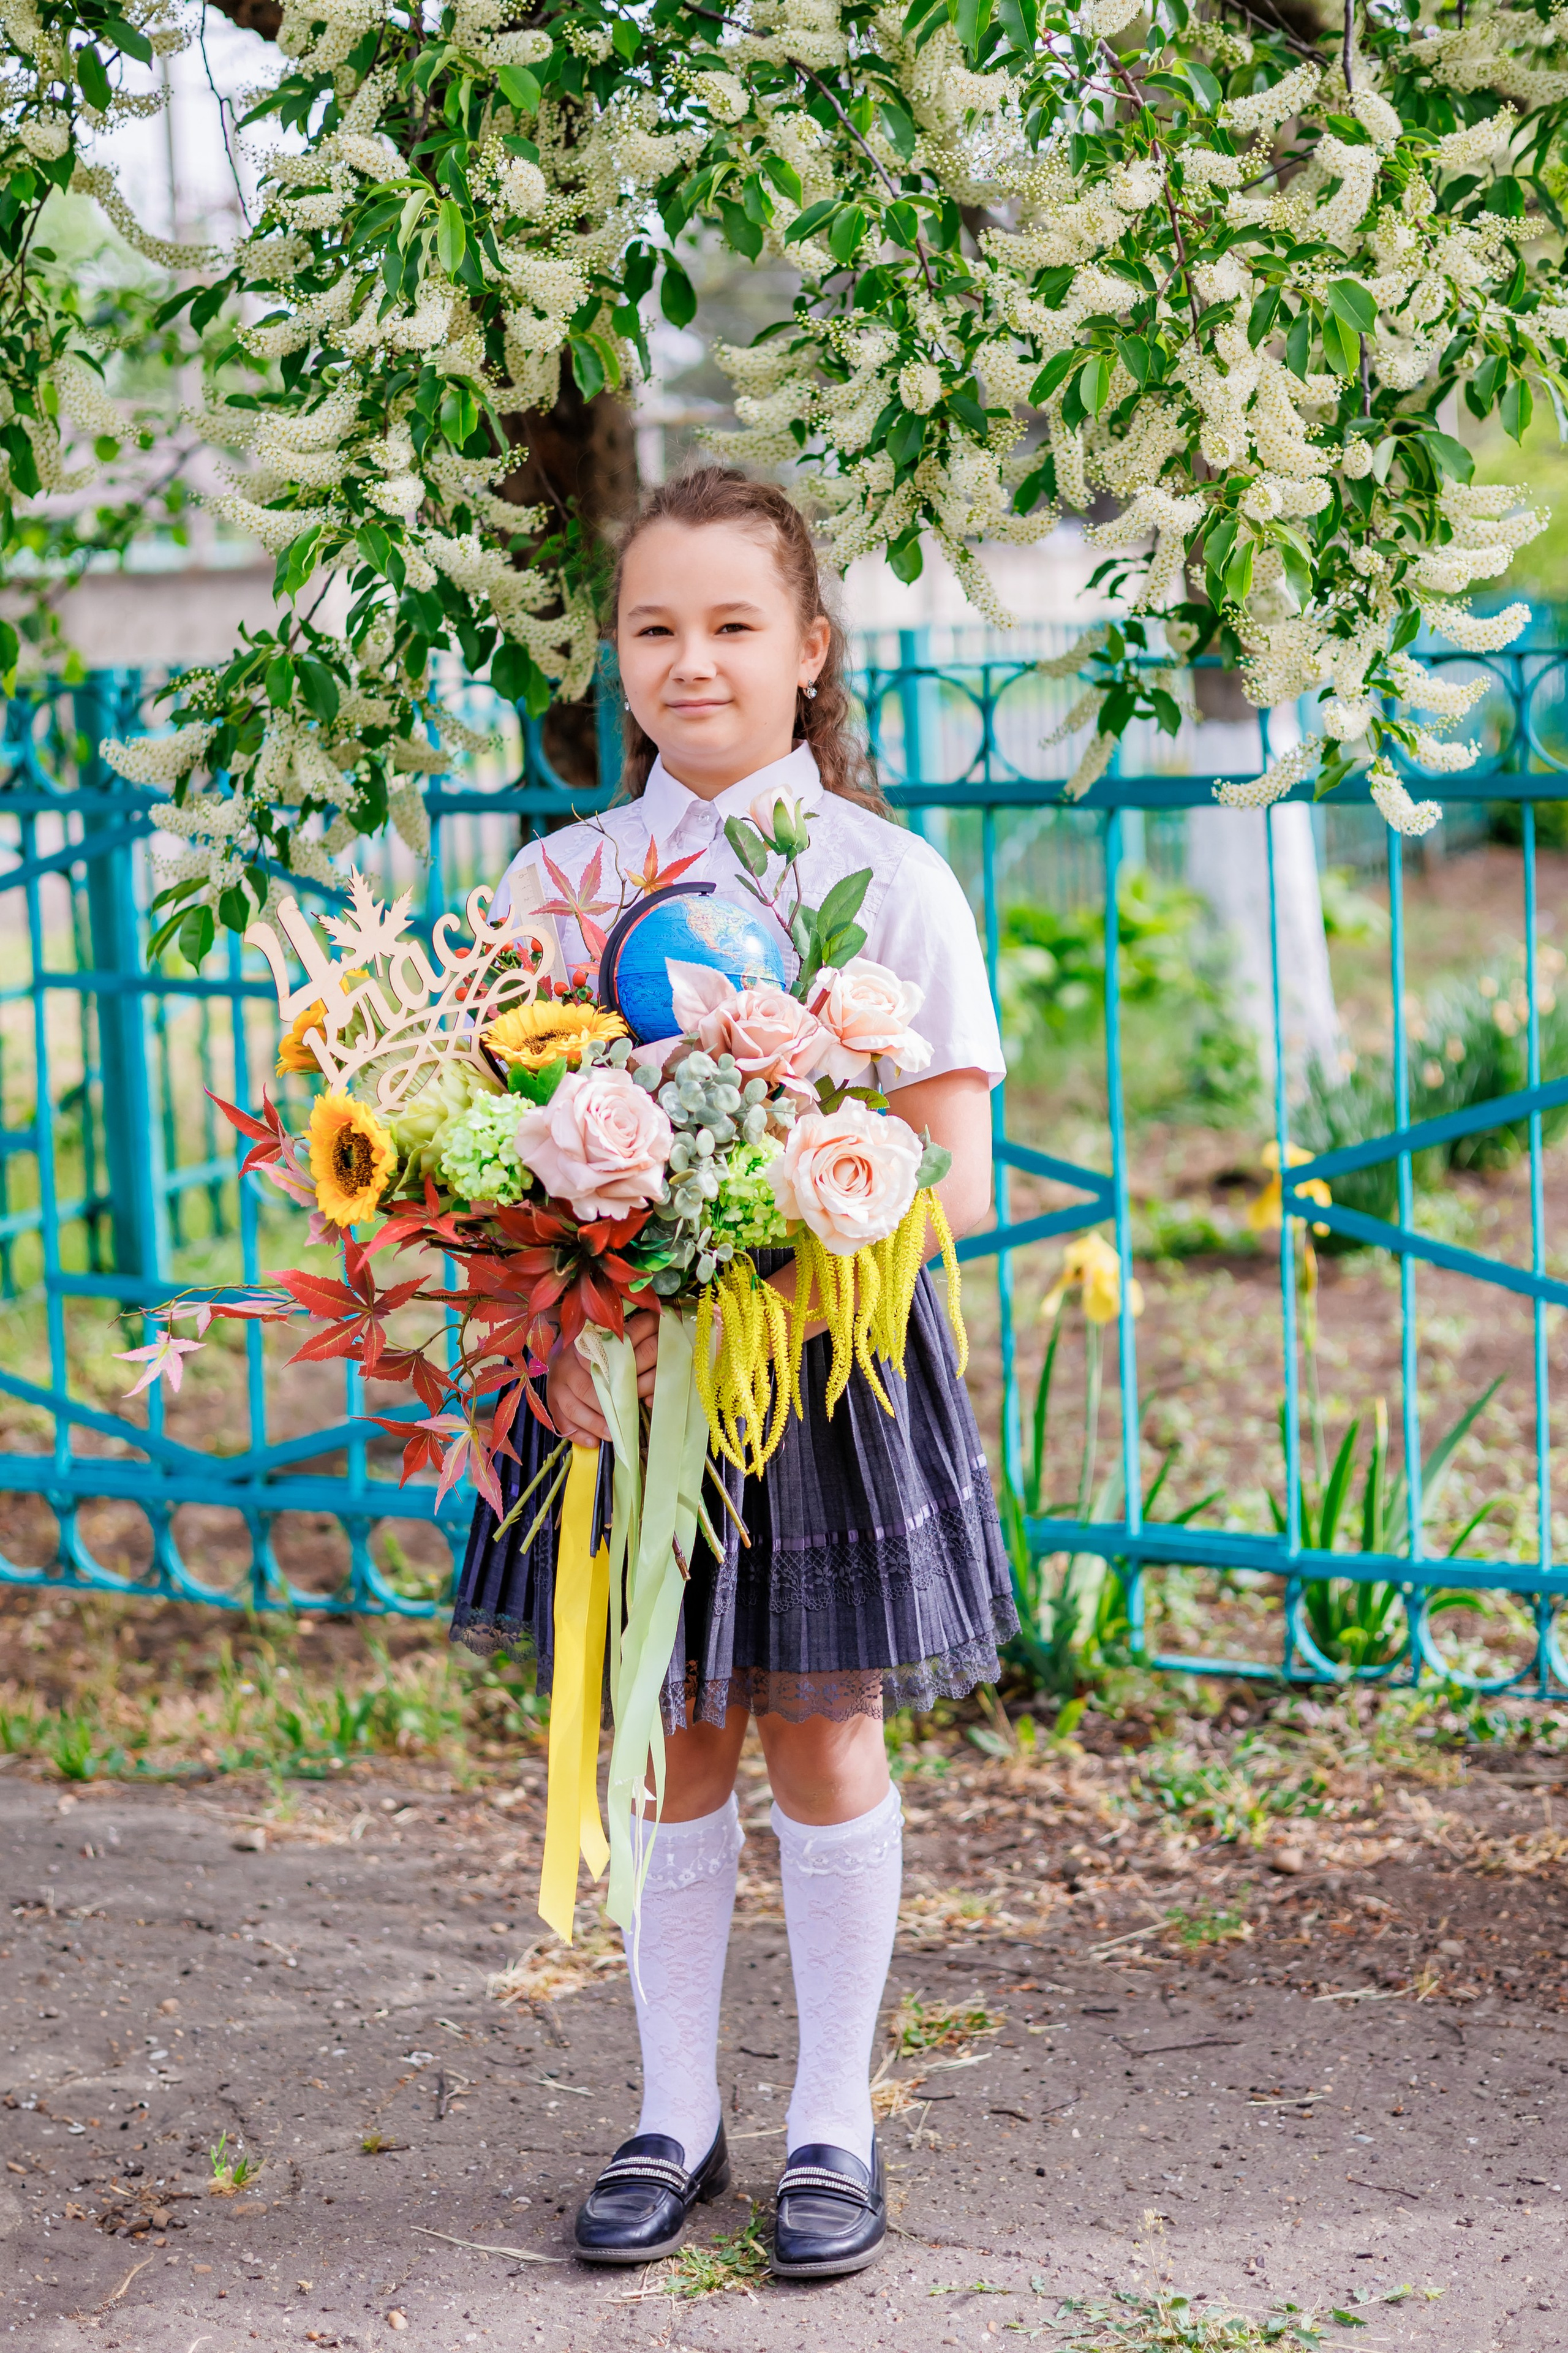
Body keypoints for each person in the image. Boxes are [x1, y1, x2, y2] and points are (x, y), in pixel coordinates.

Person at [451, 464, 1014, 2278]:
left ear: (811, 650)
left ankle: (833, 2123)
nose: (692, 663)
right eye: (656, 629)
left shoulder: (882, 879)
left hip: (820, 1379)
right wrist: (595, 1218)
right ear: (618, 655)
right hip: (618, 1382)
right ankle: (672, 2111)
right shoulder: (553, 886)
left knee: (821, 1731)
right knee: (665, 1734)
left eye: (732, 626)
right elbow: (480, 1153)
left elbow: (950, 1171)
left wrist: (756, 1209)